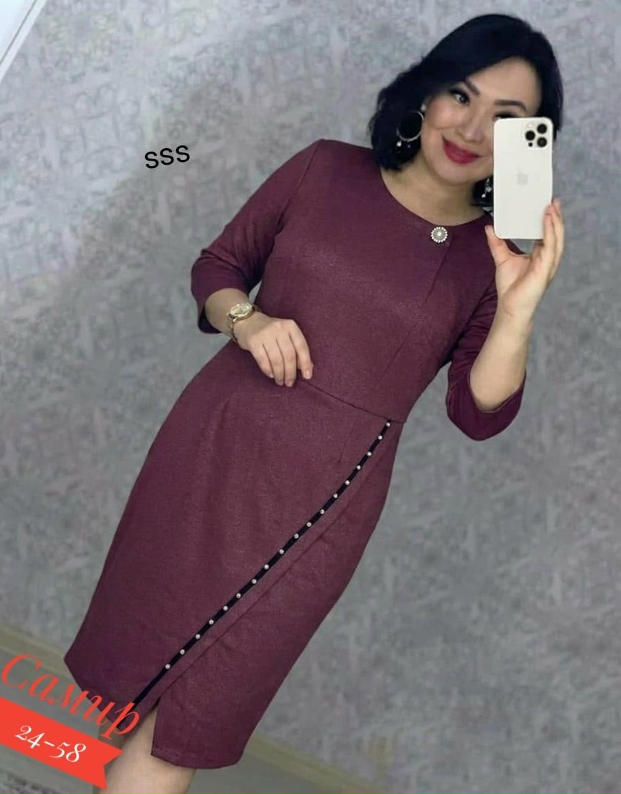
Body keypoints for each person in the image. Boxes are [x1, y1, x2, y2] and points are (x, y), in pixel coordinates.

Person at [63, 12, 565, 794]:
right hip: (212, 452)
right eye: (461, 95)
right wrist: (248, 319)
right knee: (135, 680)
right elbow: (219, 267)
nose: (471, 129)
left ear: (530, 144)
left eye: (507, 118)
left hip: (320, 508)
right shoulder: (325, 169)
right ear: (426, 91)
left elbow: (479, 412)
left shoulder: (489, 260)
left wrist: (519, 308)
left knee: (184, 725)